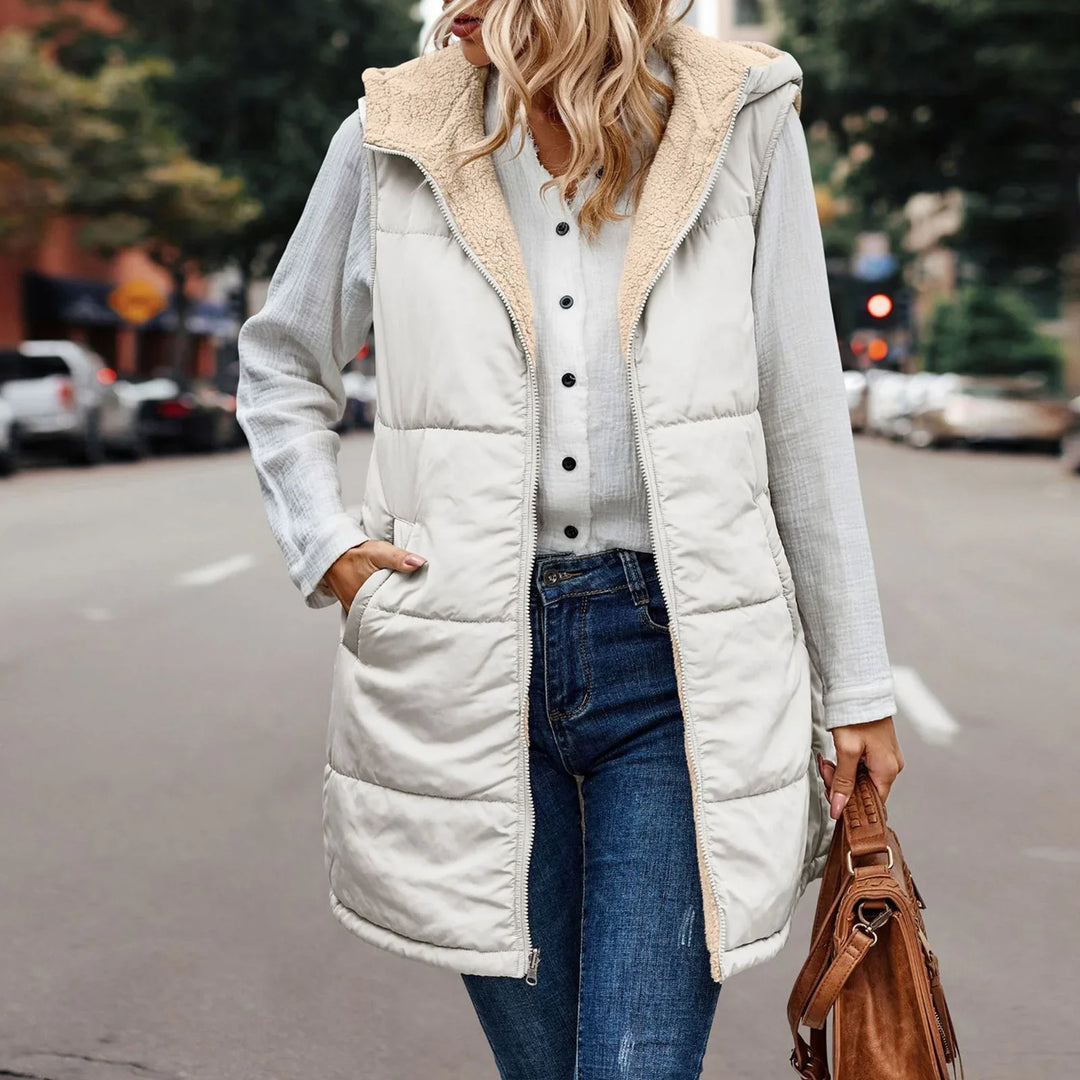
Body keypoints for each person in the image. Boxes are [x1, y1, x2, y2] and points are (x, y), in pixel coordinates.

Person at [236, 1, 904, 1075]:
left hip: (679, 653)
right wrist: (330, 547)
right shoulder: (391, 130)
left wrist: (857, 684)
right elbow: (280, 362)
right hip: (460, 648)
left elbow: (801, 412)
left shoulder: (739, 118)